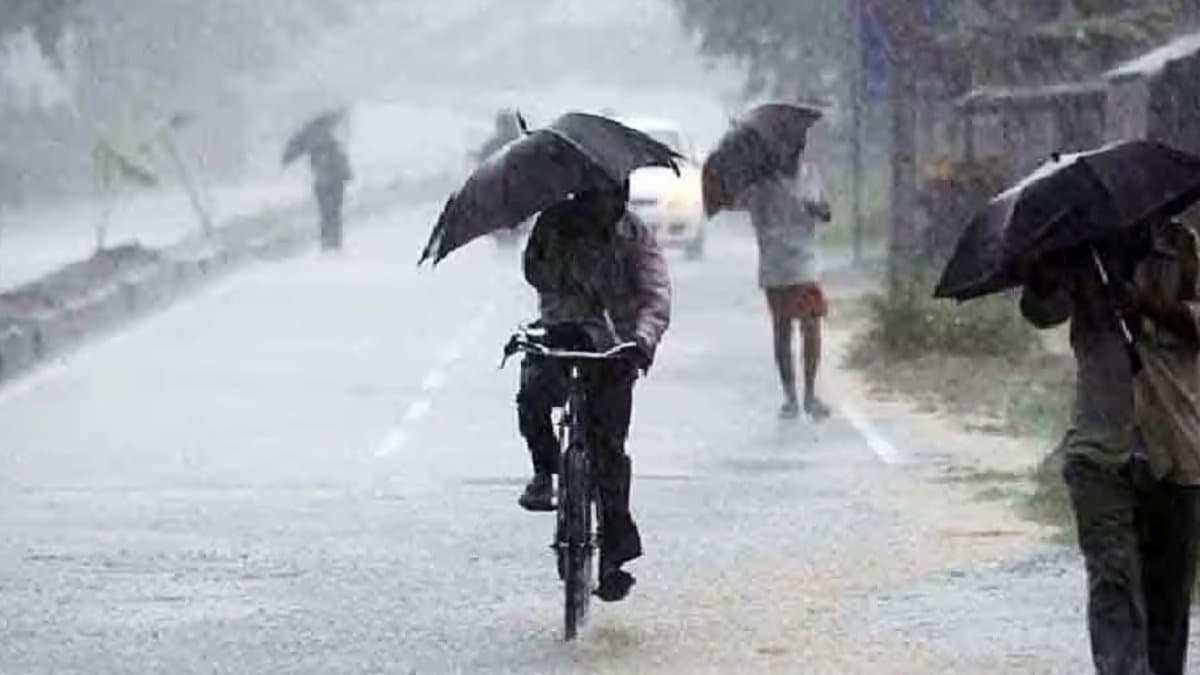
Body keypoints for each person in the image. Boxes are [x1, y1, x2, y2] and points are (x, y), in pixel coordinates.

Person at [1020, 220, 1200, 675]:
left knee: (1167, 601)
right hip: (1100, 450)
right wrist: (1040, 273)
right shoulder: (1082, 250)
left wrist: (1146, 305)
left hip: (1175, 448)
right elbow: (1043, 312)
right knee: (1113, 585)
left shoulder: (1183, 249)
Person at [516, 183, 671, 602]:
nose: (603, 206)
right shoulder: (553, 222)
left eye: (612, 197)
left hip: (617, 346)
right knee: (532, 395)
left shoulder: (634, 234)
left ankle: (614, 558)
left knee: (610, 452)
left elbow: (655, 294)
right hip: (562, 332)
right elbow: (533, 272)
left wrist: (642, 340)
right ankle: (545, 472)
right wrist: (565, 265)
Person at [739, 150, 832, 420]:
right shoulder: (760, 183)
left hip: (805, 261)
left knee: (811, 325)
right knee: (782, 329)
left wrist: (817, 209)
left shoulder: (809, 174)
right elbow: (747, 208)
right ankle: (790, 396)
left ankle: (810, 394)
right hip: (775, 262)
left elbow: (826, 213)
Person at [308, 133, 353, 251]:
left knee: (325, 214)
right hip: (335, 188)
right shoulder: (338, 153)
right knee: (334, 213)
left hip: (322, 188)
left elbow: (313, 168)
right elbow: (348, 174)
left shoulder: (315, 152)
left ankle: (326, 239)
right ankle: (335, 239)